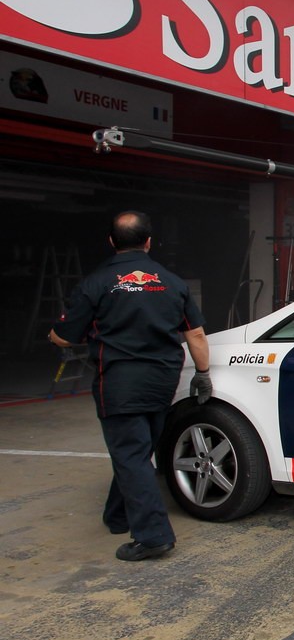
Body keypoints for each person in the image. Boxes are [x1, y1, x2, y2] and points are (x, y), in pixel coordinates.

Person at [49, 211, 211, 562]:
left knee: (131, 454)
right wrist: (203, 372)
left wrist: (55, 333)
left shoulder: (96, 282)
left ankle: (153, 536)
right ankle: (118, 515)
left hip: (120, 381)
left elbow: (64, 337)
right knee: (136, 451)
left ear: (111, 242)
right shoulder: (172, 282)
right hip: (163, 380)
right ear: (149, 241)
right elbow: (195, 334)